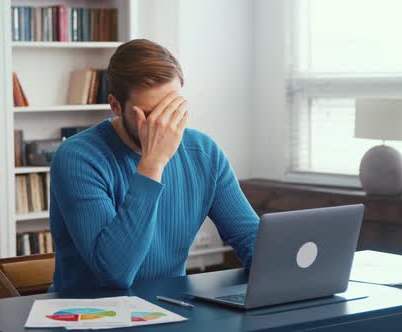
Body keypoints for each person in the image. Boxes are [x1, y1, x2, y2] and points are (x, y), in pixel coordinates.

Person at [50, 39, 259, 291]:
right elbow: (115, 275)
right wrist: (152, 164)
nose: (163, 124)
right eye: (150, 114)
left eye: (171, 108)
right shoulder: (77, 158)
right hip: (92, 314)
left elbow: (251, 240)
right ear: (115, 106)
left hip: (170, 306)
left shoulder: (203, 152)